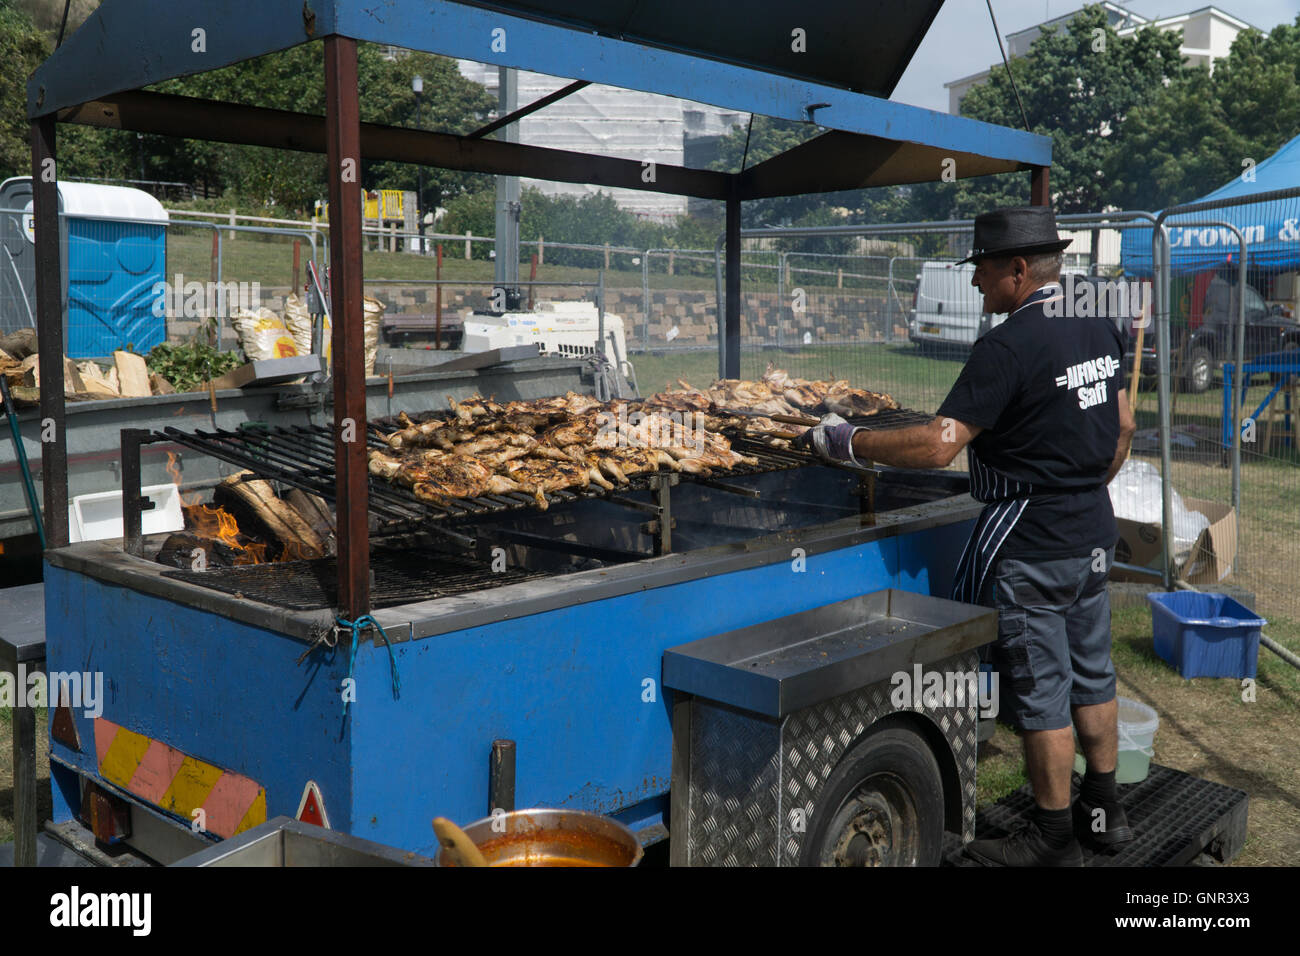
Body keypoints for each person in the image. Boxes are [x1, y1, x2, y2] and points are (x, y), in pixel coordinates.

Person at [798, 206, 1138, 867]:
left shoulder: (1009, 346)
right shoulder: (1099, 321)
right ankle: (1106, 813)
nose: (976, 283)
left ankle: (1052, 836)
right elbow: (1122, 426)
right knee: (1093, 675)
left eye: (982, 269)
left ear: (1017, 269)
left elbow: (935, 445)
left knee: (1042, 691)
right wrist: (1079, 488)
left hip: (1034, 542)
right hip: (1093, 528)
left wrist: (849, 441)